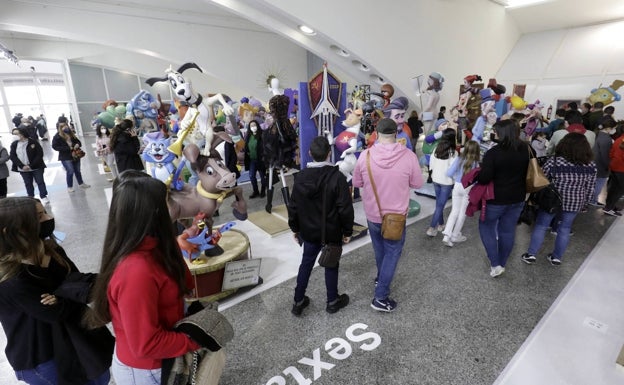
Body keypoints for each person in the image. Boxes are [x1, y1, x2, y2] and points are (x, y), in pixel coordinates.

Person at [87, 176, 201, 384]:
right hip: (148, 371)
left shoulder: (156, 245)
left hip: (165, 357)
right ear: (152, 213)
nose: (175, 206)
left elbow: (186, 286)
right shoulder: (136, 271)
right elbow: (146, 344)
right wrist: (196, 340)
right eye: (167, 201)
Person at [0, 197, 114, 385]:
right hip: (45, 359)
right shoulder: (10, 279)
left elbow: (79, 281)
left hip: (77, 341)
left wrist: (63, 294)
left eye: (44, 212)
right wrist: (69, 291)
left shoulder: (50, 249)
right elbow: (54, 312)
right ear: (11, 231)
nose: (49, 218)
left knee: (101, 378)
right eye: (39, 216)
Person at [352, 118, 424, 312]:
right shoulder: (409, 156)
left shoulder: (365, 155)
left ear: (376, 133)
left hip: (373, 213)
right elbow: (418, 184)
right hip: (396, 217)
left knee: (379, 249)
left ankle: (380, 279)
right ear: (396, 133)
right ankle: (380, 297)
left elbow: (357, 183)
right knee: (392, 252)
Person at [287, 136, 354, 316]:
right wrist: (348, 231)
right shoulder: (337, 177)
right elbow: (345, 208)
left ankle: (298, 301)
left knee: (306, 264)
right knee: (331, 264)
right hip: (331, 232)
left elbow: (293, 207)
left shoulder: (300, 178)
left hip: (308, 232)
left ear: (310, 153)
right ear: (329, 154)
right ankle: (332, 301)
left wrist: (295, 228)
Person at [521, 133, 596, 265]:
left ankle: (531, 255)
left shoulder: (555, 161)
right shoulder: (590, 166)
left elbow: (542, 180)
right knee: (565, 229)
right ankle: (556, 258)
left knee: (541, 226)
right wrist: (585, 203)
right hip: (575, 202)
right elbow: (590, 188)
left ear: (564, 145)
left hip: (552, 200)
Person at [477, 119, 529, 278]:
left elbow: (484, 178)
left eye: (496, 131)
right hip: (518, 197)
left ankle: (495, 263)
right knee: (507, 231)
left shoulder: (493, 153)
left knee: (486, 227)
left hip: (495, 199)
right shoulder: (526, 149)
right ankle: (502, 261)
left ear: (502, 133)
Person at [441, 140, 480, 247]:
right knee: (462, 213)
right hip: (468, 188)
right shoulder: (476, 163)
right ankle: (455, 235)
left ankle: (446, 235)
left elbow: (448, 173)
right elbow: (477, 180)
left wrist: (456, 178)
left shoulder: (459, 159)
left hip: (457, 186)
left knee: (454, 211)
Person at [426, 128, 457, 237]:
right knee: (440, 205)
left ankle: (441, 224)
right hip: (446, 182)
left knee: (439, 204)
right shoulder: (453, 152)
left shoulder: (436, 148)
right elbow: (452, 171)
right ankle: (431, 228)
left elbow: (431, 164)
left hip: (435, 179)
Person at [9, 127, 49, 204]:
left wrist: (30, 165)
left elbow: (39, 154)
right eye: (13, 134)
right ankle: (31, 197)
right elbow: (12, 156)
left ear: (22, 134)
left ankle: (43, 196)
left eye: (16, 134)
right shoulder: (14, 144)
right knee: (28, 183)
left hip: (36, 167)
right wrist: (21, 166)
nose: (14, 136)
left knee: (40, 181)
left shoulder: (32, 142)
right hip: (23, 169)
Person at [52, 122, 91, 193]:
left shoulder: (71, 134)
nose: (65, 127)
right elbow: (55, 146)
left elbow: (78, 142)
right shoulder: (57, 137)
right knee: (70, 171)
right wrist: (67, 148)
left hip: (75, 154)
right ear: (59, 128)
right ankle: (69, 186)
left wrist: (77, 144)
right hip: (65, 156)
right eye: (63, 127)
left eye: (66, 126)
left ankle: (81, 183)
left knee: (78, 170)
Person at [589, 118, 616, 206]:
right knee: (599, 184)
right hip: (600, 165)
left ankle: (592, 199)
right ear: (608, 128)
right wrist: (608, 166)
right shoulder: (606, 139)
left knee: (594, 183)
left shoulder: (598, 134)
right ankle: (593, 200)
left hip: (594, 162)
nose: (614, 130)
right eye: (613, 128)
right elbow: (605, 155)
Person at [603, 124, 624, 216]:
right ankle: (609, 208)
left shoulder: (620, 139)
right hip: (621, 168)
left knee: (614, 188)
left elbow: (611, 153)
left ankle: (609, 205)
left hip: (615, 166)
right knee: (619, 189)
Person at [244, 119, 267, 198]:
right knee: (251, 176)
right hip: (252, 160)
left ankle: (263, 191)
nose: (253, 127)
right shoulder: (248, 136)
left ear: (257, 125)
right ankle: (256, 191)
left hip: (261, 160)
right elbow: (246, 146)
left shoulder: (262, 134)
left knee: (262, 177)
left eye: (254, 125)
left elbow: (266, 147)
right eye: (251, 126)